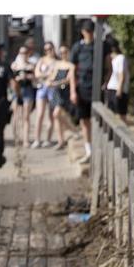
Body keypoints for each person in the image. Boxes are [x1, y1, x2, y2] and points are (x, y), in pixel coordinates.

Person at [69, 19, 97, 163]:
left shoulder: (99, 46)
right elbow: (72, 70)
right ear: (82, 32)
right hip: (82, 88)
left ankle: (97, 149)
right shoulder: (77, 48)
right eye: (87, 32)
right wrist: (73, 91)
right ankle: (89, 150)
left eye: (91, 32)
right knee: (84, 120)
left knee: (97, 120)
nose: (89, 35)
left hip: (97, 90)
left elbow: (108, 65)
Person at [11, 39, 37, 149]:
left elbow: (37, 80)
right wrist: (17, 78)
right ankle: (16, 138)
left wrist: (29, 77)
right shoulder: (14, 66)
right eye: (21, 53)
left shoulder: (31, 66)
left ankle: (26, 140)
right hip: (17, 90)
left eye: (25, 53)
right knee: (16, 116)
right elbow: (10, 80)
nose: (23, 55)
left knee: (26, 116)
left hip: (28, 90)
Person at [49, 45, 75, 150]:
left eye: (64, 52)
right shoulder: (57, 64)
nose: (63, 54)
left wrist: (57, 83)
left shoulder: (71, 65)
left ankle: (72, 131)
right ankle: (61, 139)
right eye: (61, 52)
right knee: (57, 116)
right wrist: (50, 82)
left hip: (65, 91)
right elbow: (52, 76)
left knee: (57, 114)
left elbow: (69, 79)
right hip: (57, 91)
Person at [33, 41, 58, 148]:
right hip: (42, 88)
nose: (49, 51)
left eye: (50, 49)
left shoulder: (57, 61)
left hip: (52, 88)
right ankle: (37, 139)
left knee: (51, 115)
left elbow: (56, 74)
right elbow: (37, 73)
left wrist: (47, 76)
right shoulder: (42, 60)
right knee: (40, 114)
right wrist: (47, 74)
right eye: (46, 49)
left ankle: (48, 139)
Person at [105, 41, 129, 119]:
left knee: (120, 114)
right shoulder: (111, 59)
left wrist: (120, 89)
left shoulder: (121, 58)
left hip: (118, 88)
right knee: (110, 113)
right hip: (111, 87)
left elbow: (121, 74)